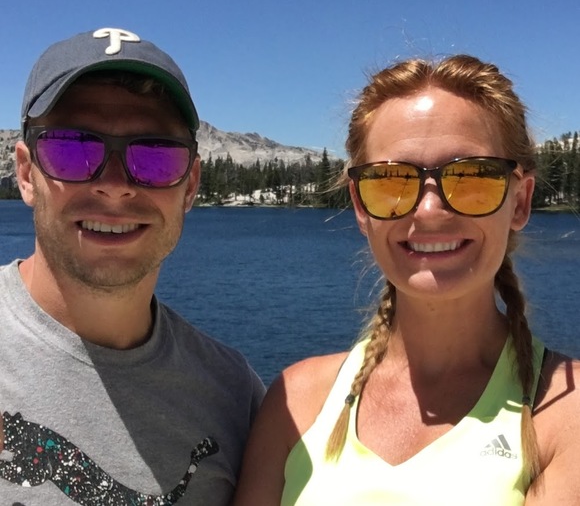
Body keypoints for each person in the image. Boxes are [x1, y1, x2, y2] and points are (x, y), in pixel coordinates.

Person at [233, 55, 580, 505]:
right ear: (360, 206)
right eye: (391, 182)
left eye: (472, 177)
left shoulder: (565, 410)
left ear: (520, 202)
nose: (429, 211)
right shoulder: (297, 402)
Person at [0, 27, 265, 505]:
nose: (116, 185)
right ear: (25, 173)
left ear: (190, 186)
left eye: (155, 156)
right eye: (73, 149)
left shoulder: (235, 396)